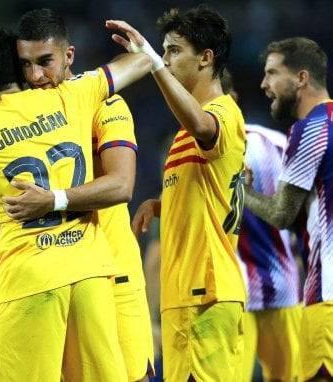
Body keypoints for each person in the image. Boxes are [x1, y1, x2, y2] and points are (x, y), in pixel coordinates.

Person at [0, 22, 153, 379]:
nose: (37, 73)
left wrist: (46, 202)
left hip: (82, 275)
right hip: (90, 270)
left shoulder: (95, 99)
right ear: (17, 68)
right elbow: (142, 61)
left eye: (44, 61)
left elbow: (121, 186)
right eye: (27, 64)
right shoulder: (71, 97)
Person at [122, 5, 247, 381]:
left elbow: (201, 124)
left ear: (206, 58)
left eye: (174, 51)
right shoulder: (182, 134)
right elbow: (208, 196)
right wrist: (158, 205)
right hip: (183, 295)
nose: (165, 59)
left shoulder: (223, 113)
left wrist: (152, 66)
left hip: (205, 291)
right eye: (163, 51)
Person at [244, 36, 333, 382]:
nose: (264, 84)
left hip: (327, 292)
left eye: (272, 73)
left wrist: (242, 191)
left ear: (301, 78)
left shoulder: (311, 128)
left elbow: (281, 212)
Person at [220, 68, 304, 381]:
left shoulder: (275, 144)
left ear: (234, 100)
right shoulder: (189, 148)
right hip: (228, 295)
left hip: (280, 287)